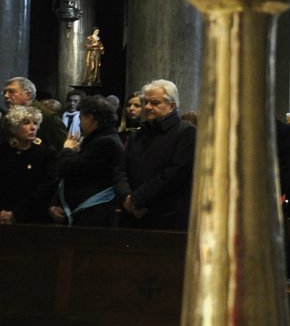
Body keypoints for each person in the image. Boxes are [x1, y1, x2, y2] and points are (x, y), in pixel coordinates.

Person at [115, 79, 197, 229]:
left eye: (155, 103)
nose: (147, 107)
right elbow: (120, 170)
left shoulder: (186, 133)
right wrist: (127, 198)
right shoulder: (137, 135)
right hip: (131, 215)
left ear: (172, 105)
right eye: (146, 102)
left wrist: (137, 200)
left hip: (166, 216)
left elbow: (173, 175)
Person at [51, 95, 122, 226]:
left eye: (81, 118)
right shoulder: (99, 139)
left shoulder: (106, 142)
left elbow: (69, 170)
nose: (79, 123)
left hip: (94, 213)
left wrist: (67, 149)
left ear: (90, 119)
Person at [0, 104, 58, 224]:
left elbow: (46, 186)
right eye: (26, 123)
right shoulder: (3, 151)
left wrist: (16, 213)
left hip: (33, 216)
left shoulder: (45, 152)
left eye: (35, 123)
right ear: (13, 128)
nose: (33, 127)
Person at [4, 77, 67, 150]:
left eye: (11, 91)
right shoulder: (7, 116)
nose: (6, 96)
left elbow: (63, 148)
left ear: (28, 95)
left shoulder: (47, 117)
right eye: (5, 92)